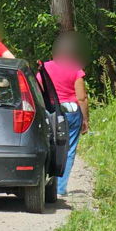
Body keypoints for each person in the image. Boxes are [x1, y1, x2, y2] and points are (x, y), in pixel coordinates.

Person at [41, 32, 89, 196]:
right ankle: (60, 188)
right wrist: (85, 119)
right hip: (71, 112)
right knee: (68, 149)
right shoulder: (76, 70)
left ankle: (46, 183)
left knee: (50, 146)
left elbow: (39, 91)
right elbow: (81, 98)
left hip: (50, 112)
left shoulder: (45, 68)